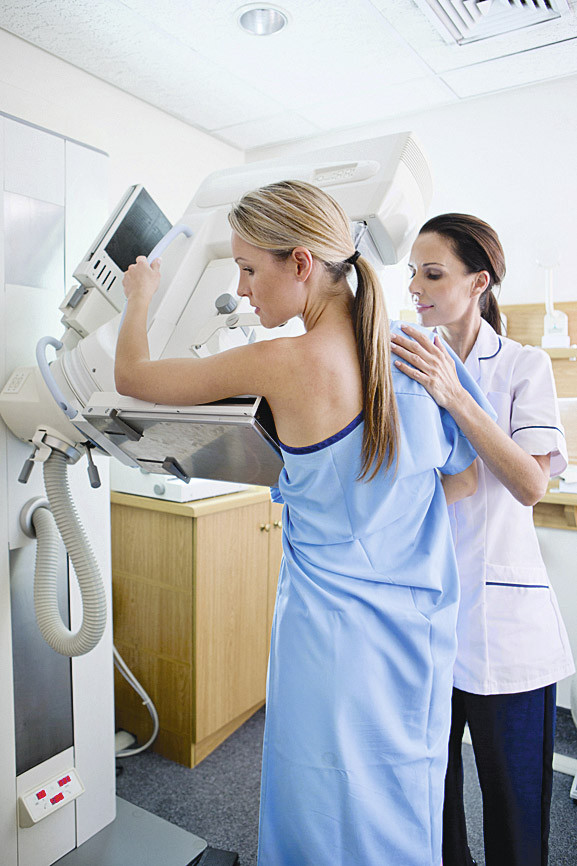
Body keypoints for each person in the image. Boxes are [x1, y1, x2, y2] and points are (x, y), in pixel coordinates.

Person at [115, 181, 491, 866]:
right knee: (402, 794)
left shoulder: (281, 363)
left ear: (299, 263)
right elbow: (464, 479)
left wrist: (140, 294)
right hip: (415, 631)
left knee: (320, 800)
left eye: (247, 268)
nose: (242, 288)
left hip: (328, 636)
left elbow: (134, 377)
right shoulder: (420, 354)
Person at [390, 212, 575, 866]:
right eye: (411, 272)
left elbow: (529, 483)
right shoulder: (408, 360)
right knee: (430, 809)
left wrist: (455, 395)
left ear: (478, 282)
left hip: (504, 627)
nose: (415, 286)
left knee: (515, 814)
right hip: (425, 619)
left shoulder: (524, 366)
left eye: (432, 273)